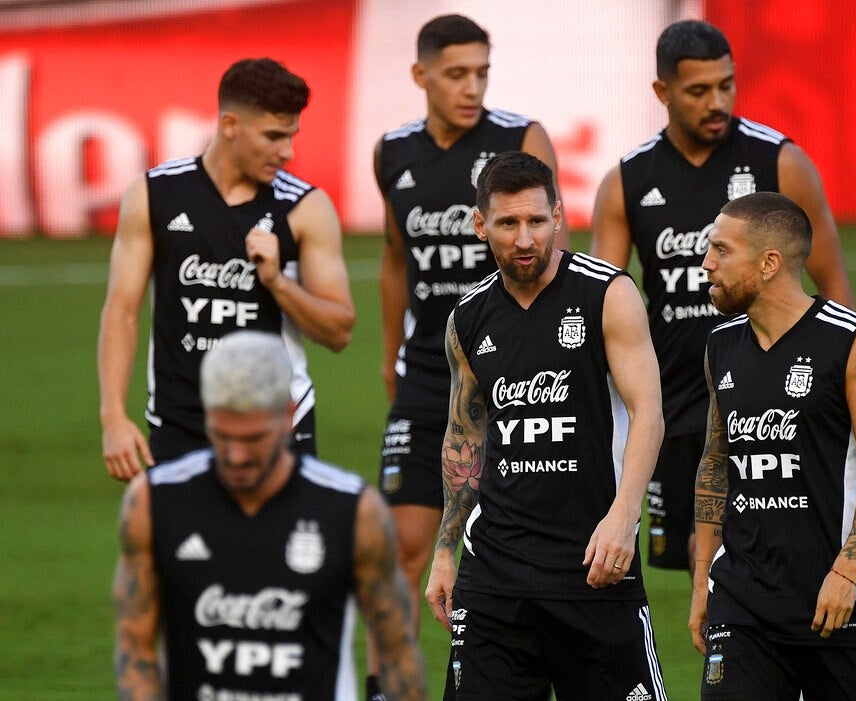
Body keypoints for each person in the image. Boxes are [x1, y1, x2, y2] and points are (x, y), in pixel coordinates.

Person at [590, 19, 856, 576]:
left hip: (771, 392)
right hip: (676, 402)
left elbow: (832, 284)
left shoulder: (779, 163)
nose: (718, 101)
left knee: (770, 545)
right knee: (702, 565)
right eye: (698, 90)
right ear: (662, 93)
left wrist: (848, 385)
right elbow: (604, 300)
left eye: (726, 85)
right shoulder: (627, 181)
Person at [369, 15, 566, 698]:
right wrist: (391, 359)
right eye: (456, 73)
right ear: (422, 75)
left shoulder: (520, 139)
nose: (472, 87)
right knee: (400, 546)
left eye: (482, 71)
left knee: (522, 546)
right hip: (428, 376)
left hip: (515, 369)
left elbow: (552, 245)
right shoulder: (392, 152)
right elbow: (397, 259)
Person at [424, 151, 667, 700]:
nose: (526, 238)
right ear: (481, 224)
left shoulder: (608, 294)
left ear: (558, 215)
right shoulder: (467, 318)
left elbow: (648, 411)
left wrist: (624, 518)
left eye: (537, 220)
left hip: (593, 565)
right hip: (494, 575)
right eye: (508, 224)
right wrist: (445, 550)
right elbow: (465, 435)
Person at [112, 331, 427, 700]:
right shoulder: (155, 503)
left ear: (289, 416)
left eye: (253, 438)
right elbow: (136, 650)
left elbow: (396, 653)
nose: (236, 456)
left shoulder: (352, 511)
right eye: (222, 435)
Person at [99, 57, 355, 481]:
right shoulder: (154, 194)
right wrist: (112, 418)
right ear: (230, 125)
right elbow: (121, 311)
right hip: (179, 422)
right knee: (180, 549)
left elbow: (339, 331)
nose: (286, 152)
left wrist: (276, 281)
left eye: (291, 136)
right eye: (273, 136)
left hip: (277, 422)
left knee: (273, 549)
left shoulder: (306, 208)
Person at [687, 192, 856, 700]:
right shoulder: (721, 345)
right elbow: (716, 462)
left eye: (721, 251)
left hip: (842, 596)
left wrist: (847, 571)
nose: (706, 263)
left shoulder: (853, 343)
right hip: (742, 601)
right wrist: (703, 582)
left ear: (768, 264)